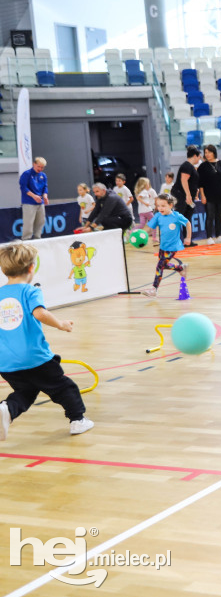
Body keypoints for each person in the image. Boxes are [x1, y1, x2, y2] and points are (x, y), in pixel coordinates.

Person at [0, 242, 94, 440]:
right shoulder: (30, 291)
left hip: (6, 362)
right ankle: (77, 420)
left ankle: (7, 409)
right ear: (31, 268)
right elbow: (40, 312)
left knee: (26, 391)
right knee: (63, 387)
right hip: (34, 357)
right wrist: (61, 324)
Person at [140, 194, 192, 297]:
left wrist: (188, 237)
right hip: (163, 246)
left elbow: (188, 223)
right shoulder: (158, 216)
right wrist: (142, 234)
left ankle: (154, 289)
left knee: (160, 266)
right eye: (158, 206)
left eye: (163, 206)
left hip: (173, 247)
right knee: (163, 265)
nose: (160, 208)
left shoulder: (176, 216)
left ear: (170, 205)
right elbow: (150, 228)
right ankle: (180, 268)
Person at [197, 144, 221, 245]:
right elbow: (201, 183)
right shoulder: (203, 166)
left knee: (219, 215)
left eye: (209, 152)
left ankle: (218, 236)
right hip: (209, 196)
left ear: (214, 152)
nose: (207, 154)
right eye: (205, 153)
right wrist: (202, 196)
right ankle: (208, 237)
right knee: (210, 216)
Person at [171, 146, 202, 247]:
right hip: (181, 195)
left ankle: (186, 240)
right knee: (179, 217)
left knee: (186, 218)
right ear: (194, 156)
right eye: (199, 157)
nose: (199, 159)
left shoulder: (191, 167)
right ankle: (172, 241)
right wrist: (188, 195)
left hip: (187, 196)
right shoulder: (187, 166)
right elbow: (184, 180)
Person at [19, 157, 48, 241]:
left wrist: (45, 196)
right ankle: (26, 240)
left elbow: (45, 187)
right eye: (39, 166)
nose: (40, 169)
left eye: (42, 167)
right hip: (29, 202)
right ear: (34, 164)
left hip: (40, 202)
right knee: (28, 223)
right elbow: (23, 188)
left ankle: (37, 239)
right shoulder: (26, 174)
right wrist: (34, 196)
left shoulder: (43, 175)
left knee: (40, 222)